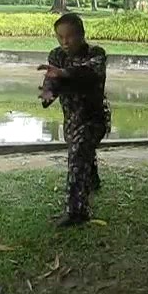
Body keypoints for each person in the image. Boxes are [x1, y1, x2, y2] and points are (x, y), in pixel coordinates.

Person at [38, 13, 111, 227]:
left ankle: (77, 211)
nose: (65, 42)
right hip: (71, 119)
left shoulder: (96, 54)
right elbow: (51, 80)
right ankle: (92, 180)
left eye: (69, 36)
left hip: (94, 117)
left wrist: (63, 73)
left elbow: (89, 73)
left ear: (82, 35)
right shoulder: (57, 56)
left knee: (78, 154)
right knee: (81, 152)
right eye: (60, 37)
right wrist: (48, 92)